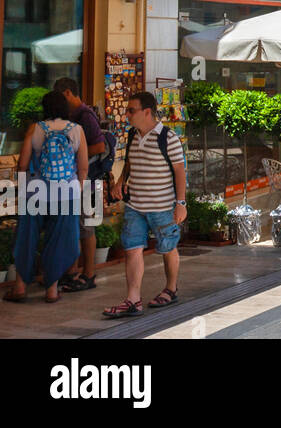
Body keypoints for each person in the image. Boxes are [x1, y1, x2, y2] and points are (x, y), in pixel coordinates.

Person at [103, 92, 186, 319]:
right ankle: (133, 299)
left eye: (131, 110)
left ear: (147, 112)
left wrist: (181, 203)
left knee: (167, 247)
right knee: (132, 249)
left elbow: (180, 170)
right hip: (135, 206)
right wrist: (121, 181)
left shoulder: (167, 137)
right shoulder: (132, 135)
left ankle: (171, 289)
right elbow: (130, 161)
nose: (127, 114)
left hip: (162, 206)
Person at [5, 91, 88, 304]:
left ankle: (20, 287)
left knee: (27, 236)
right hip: (66, 193)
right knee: (58, 238)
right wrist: (76, 190)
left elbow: (23, 164)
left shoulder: (35, 129)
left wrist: (23, 189)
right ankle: (51, 290)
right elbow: (83, 167)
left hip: (36, 191)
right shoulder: (77, 130)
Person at [53, 77, 105, 294]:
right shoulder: (72, 116)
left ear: (67, 93)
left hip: (88, 181)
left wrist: (75, 157)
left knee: (86, 227)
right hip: (75, 180)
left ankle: (89, 274)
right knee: (75, 227)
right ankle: (72, 272)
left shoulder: (85, 115)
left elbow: (99, 145)